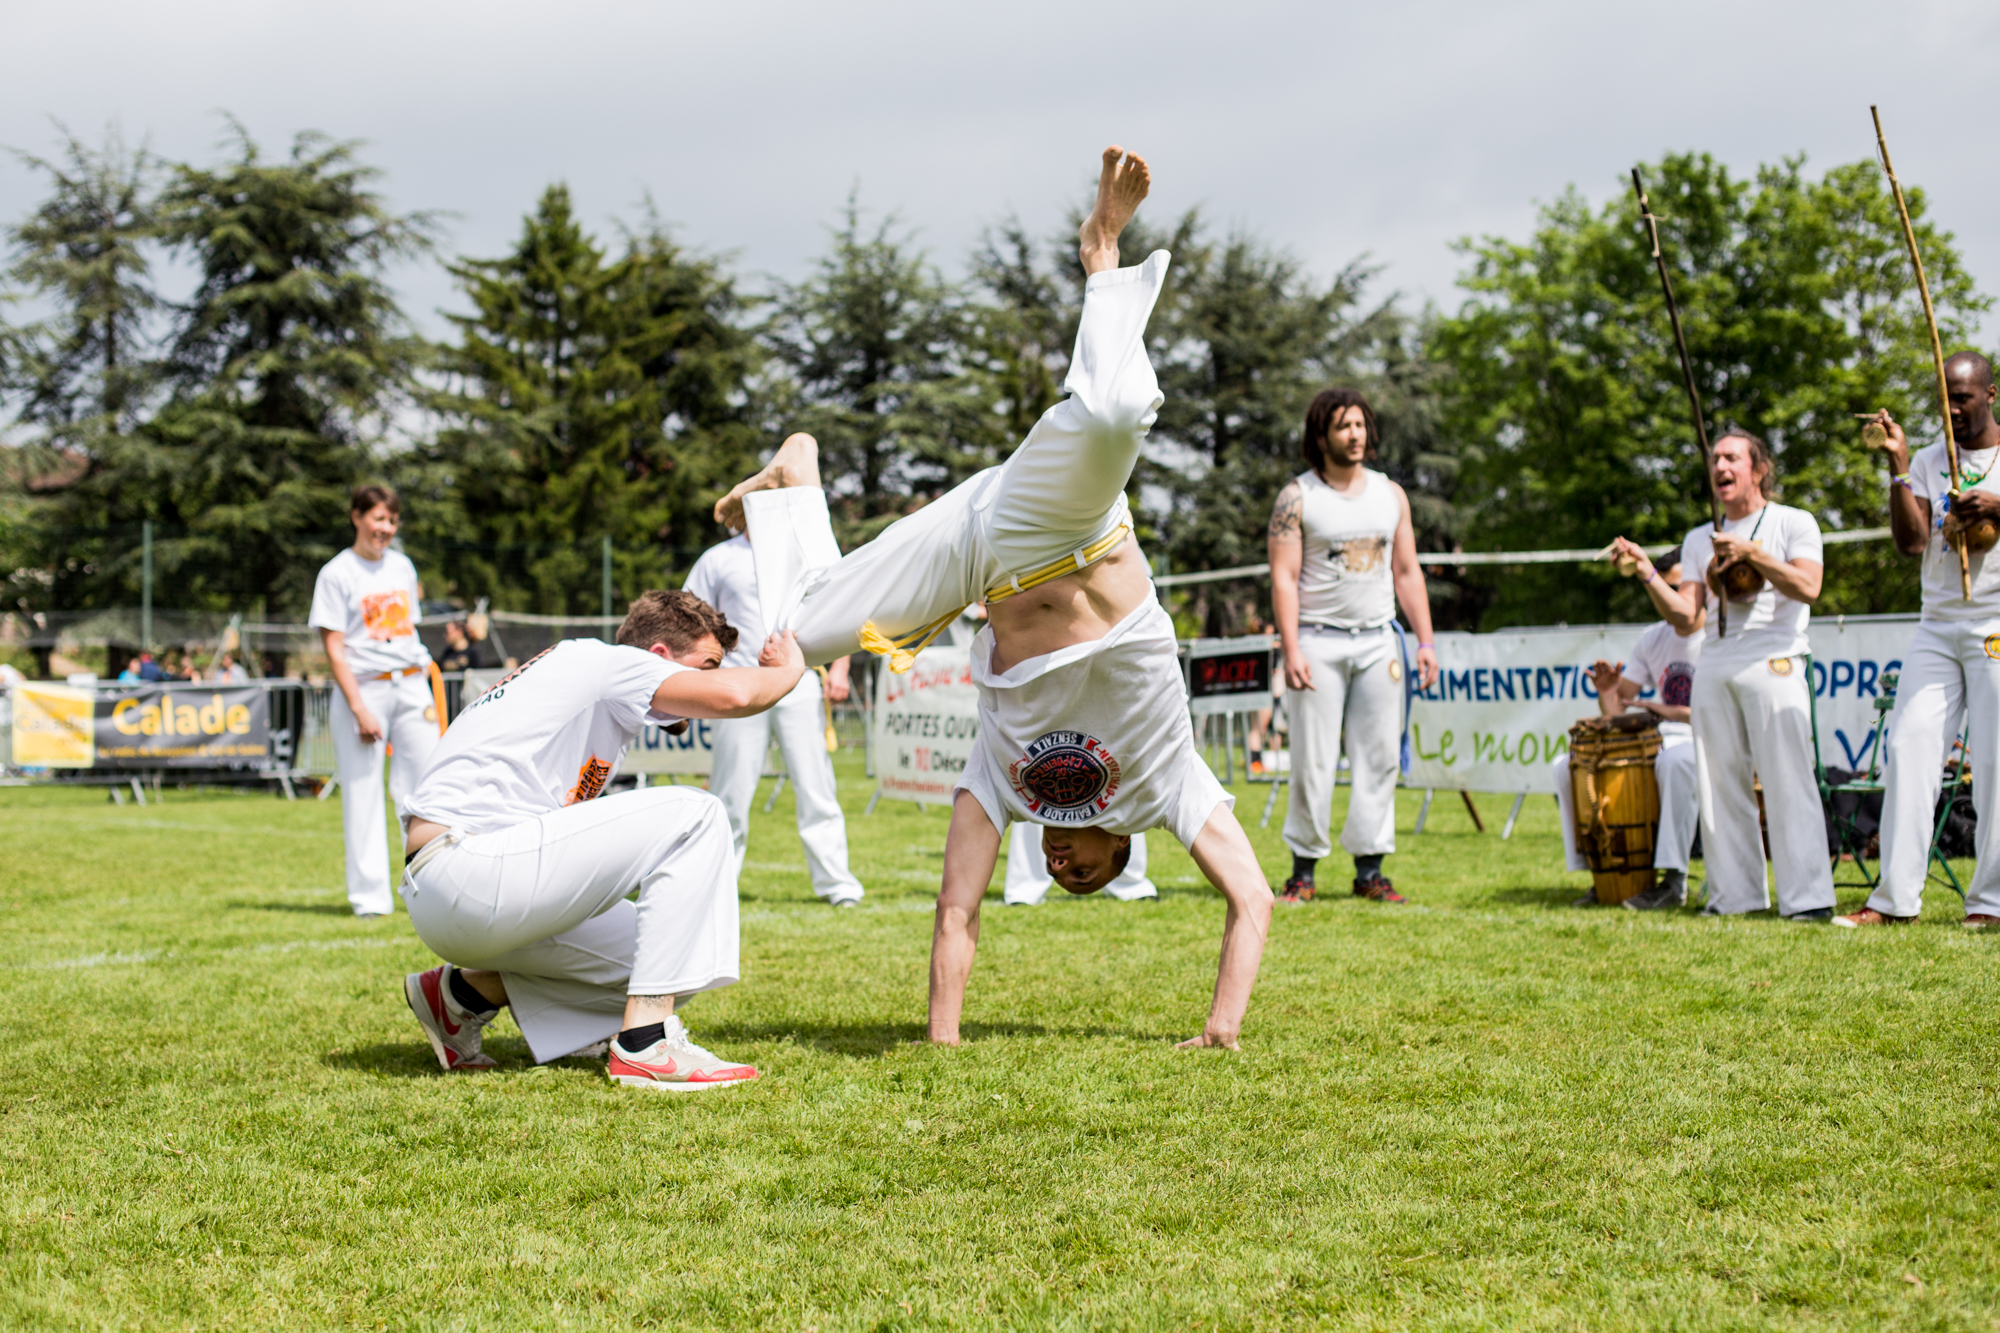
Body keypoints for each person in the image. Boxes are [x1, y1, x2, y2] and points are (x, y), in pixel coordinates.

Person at [716, 146, 1272, 1049]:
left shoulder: (1005, 779)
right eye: (1085, 872)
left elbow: (956, 907)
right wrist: (1223, 1026)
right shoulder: (1168, 781)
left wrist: (942, 1041)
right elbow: (1252, 897)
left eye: (1062, 877)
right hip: (1065, 524)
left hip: (976, 559)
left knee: (797, 636)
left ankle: (795, 477)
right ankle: (1102, 253)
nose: (1062, 866)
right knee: (1113, 416)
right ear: (1121, 843)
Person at [398, 590, 805, 1088]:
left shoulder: (595, 688)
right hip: (466, 867)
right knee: (697, 814)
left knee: (674, 957)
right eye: (707, 667)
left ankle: (461, 997)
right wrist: (791, 670)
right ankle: (646, 1043)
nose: (711, 680)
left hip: (457, 887)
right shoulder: (609, 661)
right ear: (658, 655)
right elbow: (736, 696)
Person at [1606, 431, 1831, 920]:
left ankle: (1808, 900)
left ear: (1758, 469)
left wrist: (1753, 553)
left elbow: (1809, 586)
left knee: (1787, 778)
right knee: (1719, 786)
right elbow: (1687, 616)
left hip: (1775, 655)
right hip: (1716, 658)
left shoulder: (1793, 521)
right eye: (1714, 459)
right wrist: (1646, 571)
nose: (1720, 466)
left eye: (1731, 457)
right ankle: (1735, 898)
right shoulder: (1697, 539)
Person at [1837, 353, 2000, 928]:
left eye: (1964, 398)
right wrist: (1900, 466)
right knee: (1908, 748)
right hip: (1937, 623)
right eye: (1944, 400)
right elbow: (1910, 543)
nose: (1952, 410)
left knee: (1996, 760)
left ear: (1991, 394)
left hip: (1995, 622)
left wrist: (1996, 506)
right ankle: (1894, 901)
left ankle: (1990, 903)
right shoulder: (1932, 459)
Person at [1266, 388, 1441, 905]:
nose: (1355, 434)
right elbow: (1283, 578)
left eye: (1360, 424)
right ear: (1321, 436)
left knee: (1380, 757)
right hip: (1317, 643)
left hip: (1379, 642)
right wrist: (1291, 649)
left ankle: (1370, 870)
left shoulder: (1391, 495)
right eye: (1344, 426)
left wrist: (1426, 642)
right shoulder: (1297, 497)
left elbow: (1407, 572)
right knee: (1312, 761)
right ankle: (1303, 872)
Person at [683, 532, 865, 907]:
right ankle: (718, 885)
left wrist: (841, 667)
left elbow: (842, 607)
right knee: (730, 792)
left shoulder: (807, 550)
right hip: (737, 684)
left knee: (816, 786)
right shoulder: (718, 558)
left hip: (799, 679)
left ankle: (838, 884)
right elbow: (689, 619)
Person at [308, 484, 445, 918]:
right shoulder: (336, 573)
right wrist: (358, 708)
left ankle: (433, 888)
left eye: (392, 520)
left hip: (411, 683)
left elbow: (407, 629)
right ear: (357, 517)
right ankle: (370, 900)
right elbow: (334, 648)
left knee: (426, 789)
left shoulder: (402, 566)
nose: (385, 528)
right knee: (363, 791)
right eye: (378, 518)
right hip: (363, 687)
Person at [1550, 547, 1705, 910]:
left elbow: (1722, 715)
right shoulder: (1653, 638)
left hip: (1707, 739)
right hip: (1661, 738)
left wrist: (1669, 711)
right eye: (1664, 588)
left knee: (1676, 762)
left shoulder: (1720, 635)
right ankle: (1603, 873)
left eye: (1681, 588)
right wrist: (1608, 693)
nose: (1671, 597)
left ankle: (1674, 882)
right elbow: (1618, 712)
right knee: (1565, 765)